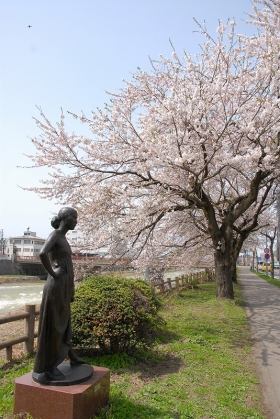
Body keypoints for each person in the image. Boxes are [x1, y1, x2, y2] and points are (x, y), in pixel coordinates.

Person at [33, 207, 85, 382]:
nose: (76, 221)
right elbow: (42, 253)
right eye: (74, 218)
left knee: (64, 322)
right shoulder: (55, 234)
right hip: (56, 285)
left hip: (63, 285)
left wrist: (71, 288)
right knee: (55, 325)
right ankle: (48, 366)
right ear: (65, 218)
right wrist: (53, 273)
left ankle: (72, 356)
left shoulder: (64, 238)